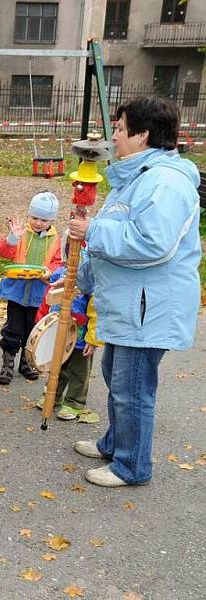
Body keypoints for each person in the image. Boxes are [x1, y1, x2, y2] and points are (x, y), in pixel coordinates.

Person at [69, 97, 201, 487]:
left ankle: (132, 466)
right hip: (133, 303)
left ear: (143, 135)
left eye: (122, 129)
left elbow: (153, 243)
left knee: (133, 387)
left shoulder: (166, 182)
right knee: (117, 377)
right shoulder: (138, 177)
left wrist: (92, 231)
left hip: (150, 306)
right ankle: (115, 443)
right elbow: (118, 232)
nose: (116, 136)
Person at [0, 192, 63, 385]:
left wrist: (49, 271)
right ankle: (7, 362)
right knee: (13, 328)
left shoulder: (56, 239)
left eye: (43, 219)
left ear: (52, 219)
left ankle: (26, 362)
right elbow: (4, 253)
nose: (38, 223)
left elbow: (58, 262)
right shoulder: (21, 233)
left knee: (32, 329)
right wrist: (12, 239)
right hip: (17, 290)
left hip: (39, 293)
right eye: (34, 218)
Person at [33, 233, 103, 421]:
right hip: (60, 332)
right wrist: (42, 325)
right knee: (58, 365)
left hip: (81, 337)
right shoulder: (59, 276)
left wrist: (93, 338)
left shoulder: (93, 285)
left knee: (79, 371)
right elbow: (47, 302)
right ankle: (53, 396)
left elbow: (97, 312)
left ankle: (74, 402)